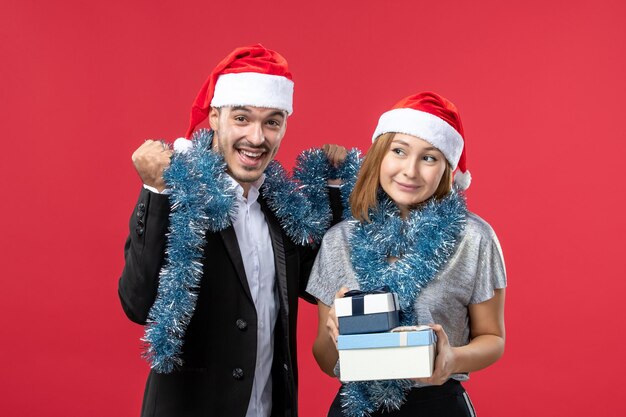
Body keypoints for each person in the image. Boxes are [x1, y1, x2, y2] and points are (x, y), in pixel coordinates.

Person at [118, 44, 353, 417]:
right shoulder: (179, 192)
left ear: (284, 126)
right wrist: (155, 192)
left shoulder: (280, 209)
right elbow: (138, 303)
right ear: (215, 117)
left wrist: (337, 189)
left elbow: (317, 279)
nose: (257, 138)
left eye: (271, 122)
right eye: (242, 119)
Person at [307, 92, 506, 417]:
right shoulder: (339, 240)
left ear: (446, 169)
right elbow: (326, 359)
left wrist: (452, 359)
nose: (410, 171)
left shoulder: (474, 237)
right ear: (380, 156)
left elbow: (493, 337)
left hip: (439, 405)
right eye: (399, 151)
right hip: (356, 406)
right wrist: (334, 334)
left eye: (429, 158)